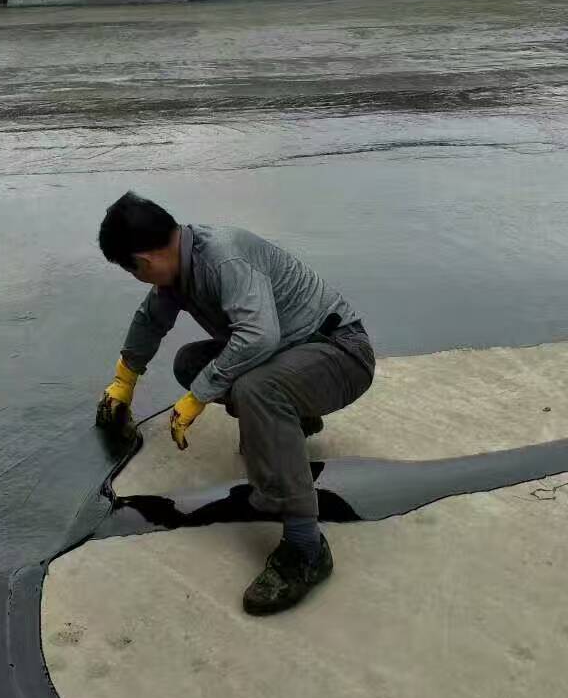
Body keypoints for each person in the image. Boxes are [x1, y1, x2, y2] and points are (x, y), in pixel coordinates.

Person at [96, 192, 375, 616]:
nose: (140, 279)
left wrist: (198, 396)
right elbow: (150, 321)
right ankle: (293, 420)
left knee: (254, 390)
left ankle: (306, 549)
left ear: (144, 260)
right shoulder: (180, 267)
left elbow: (259, 337)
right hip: (295, 355)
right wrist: (124, 381)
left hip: (341, 353)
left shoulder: (222, 259)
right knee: (191, 363)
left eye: (132, 269)